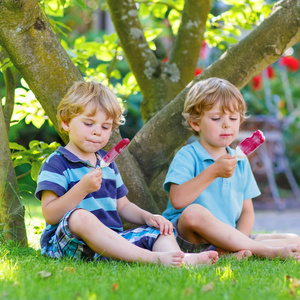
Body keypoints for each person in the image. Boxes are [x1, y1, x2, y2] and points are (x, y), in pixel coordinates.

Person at [35, 81, 219, 267]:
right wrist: (82, 189)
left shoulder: (107, 164)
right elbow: (50, 214)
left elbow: (123, 206)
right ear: (66, 122)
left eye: (105, 127)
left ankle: (179, 259)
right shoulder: (56, 163)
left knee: (161, 230)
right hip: (70, 244)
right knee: (80, 217)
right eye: (89, 123)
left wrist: (148, 217)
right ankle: (154, 259)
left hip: (113, 243)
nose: (97, 131)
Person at [162, 77, 300, 260]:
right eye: (216, 118)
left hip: (229, 236)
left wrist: (239, 240)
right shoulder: (187, 156)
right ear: (196, 123)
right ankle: (264, 252)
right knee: (193, 213)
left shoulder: (240, 161)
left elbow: (246, 211)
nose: (226, 124)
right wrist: (213, 171)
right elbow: (178, 200)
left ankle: (230, 252)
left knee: (293, 240)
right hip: (190, 238)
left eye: (233, 118)